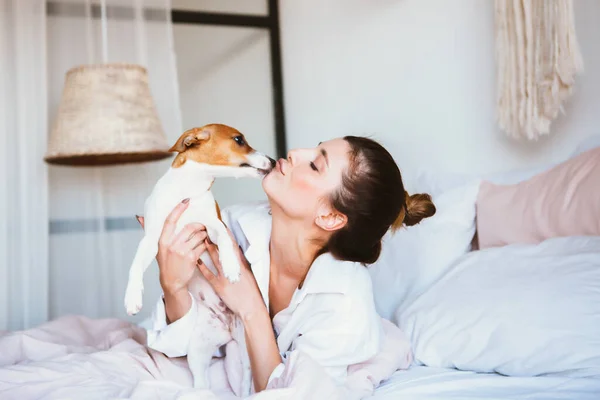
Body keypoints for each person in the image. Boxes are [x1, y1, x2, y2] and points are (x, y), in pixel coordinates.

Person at [137, 136, 436, 393]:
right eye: (314, 148)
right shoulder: (233, 227)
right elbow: (185, 346)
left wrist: (251, 307)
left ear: (331, 217)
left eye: (316, 165)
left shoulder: (343, 304)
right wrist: (172, 285)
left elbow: (285, 394)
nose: (295, 153)